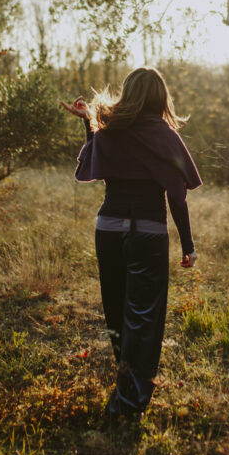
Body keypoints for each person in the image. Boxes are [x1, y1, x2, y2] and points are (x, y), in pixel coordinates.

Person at [61, 67, 202, 419]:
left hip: (108, 229)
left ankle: (126, 387)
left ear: (128, 93)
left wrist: (89, 122)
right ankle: (127, 401)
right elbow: (176, 194)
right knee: (143, 315)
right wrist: (188, 244)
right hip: (147, 233)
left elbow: (96, 161)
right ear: (160, 97)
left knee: (117, 310)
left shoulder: (112, 130)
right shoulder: (164, 135)